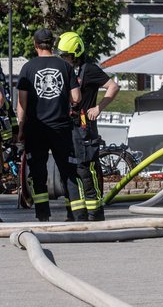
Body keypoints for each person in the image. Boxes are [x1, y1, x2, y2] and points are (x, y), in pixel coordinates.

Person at [16, 28, 81, 222]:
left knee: (38, 172)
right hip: (61, 128)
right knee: (68, 170)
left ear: (35, 45)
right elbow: (76, 97)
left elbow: (22, 103)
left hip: (36, 128)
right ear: (53, 44)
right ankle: (75, 213)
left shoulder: (28, 68)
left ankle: (43, 215)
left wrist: (20, 128)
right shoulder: (65, 66)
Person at [57, 31, 119, 221]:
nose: (64, 59)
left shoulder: (89, 70)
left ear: (76, 53)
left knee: (86, 169)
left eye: (66, 56)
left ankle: (95, 212)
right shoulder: (64, 70)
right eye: (62, 56)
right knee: (68, 171)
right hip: (67, 127)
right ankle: (75, 213)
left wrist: (98, 107)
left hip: (84, 128)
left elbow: (113, 86)